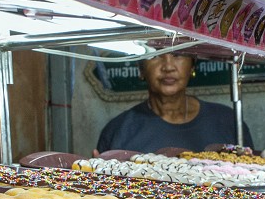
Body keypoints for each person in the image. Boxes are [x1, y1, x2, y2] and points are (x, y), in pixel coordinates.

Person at [96, 50, 252, 153]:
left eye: (177, 54)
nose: (168, 67)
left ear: (192, 66)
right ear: (141, 69)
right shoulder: (118, 131)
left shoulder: (229, 121)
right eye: (155, 55)